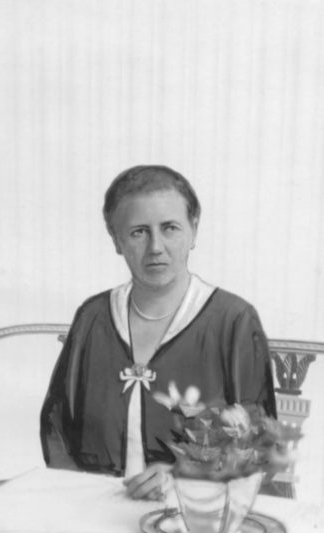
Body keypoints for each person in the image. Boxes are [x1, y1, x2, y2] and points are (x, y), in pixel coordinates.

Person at [40, 165, 276, 500]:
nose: (155, 247)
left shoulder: (233, 320)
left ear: (193, 230)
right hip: (94, 510)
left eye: (170, 228)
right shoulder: (93, 316)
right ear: (117, 241)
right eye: (138, 232)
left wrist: (187, 474)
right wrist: (76, 496)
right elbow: (57, 424)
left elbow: (259, 442)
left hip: (196, 515)